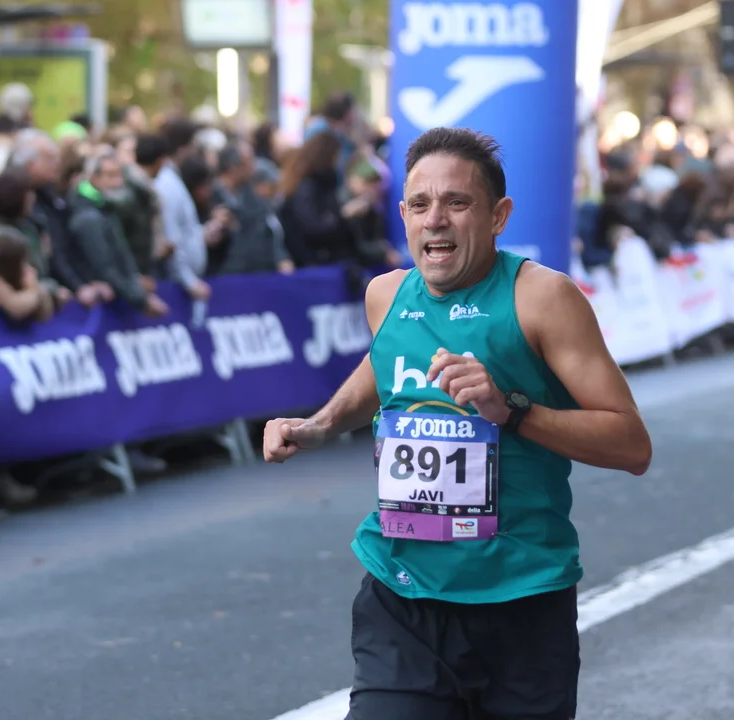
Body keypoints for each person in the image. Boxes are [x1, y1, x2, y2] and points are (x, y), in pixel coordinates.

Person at [263, 127, 652, 720]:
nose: (435, 220)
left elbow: (631, 445)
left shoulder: (543, 299)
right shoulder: (386, 295)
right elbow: (384, 365)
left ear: (498, 216)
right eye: (420, 204)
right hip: (403, 595)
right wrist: (322, 424)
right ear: (403, 215)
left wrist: (512, 411)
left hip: (521, 599)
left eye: (457, 202)